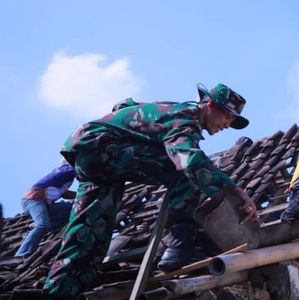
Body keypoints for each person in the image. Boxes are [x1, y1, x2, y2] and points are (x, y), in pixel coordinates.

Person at [43, 83, 257, 299]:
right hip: (103, 147)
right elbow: (189, 162)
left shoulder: (168, 110)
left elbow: (122, 105)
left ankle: (58, 292)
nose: (228, 124)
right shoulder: (185, 118)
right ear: (210, 105)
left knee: (89, 233)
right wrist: (234, 191)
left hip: (90, 155)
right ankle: (178, 247)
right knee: (188, 170)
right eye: (227, 116)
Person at [15, 161, 76, 258]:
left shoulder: (68, 177)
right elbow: (82, 169)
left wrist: (80, 196)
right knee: (42, 224)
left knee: (73, 208)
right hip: (33, 200)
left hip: (45, 205)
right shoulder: (66, 170)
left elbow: (65, 194)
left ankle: (33, 229)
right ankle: (22, 254)